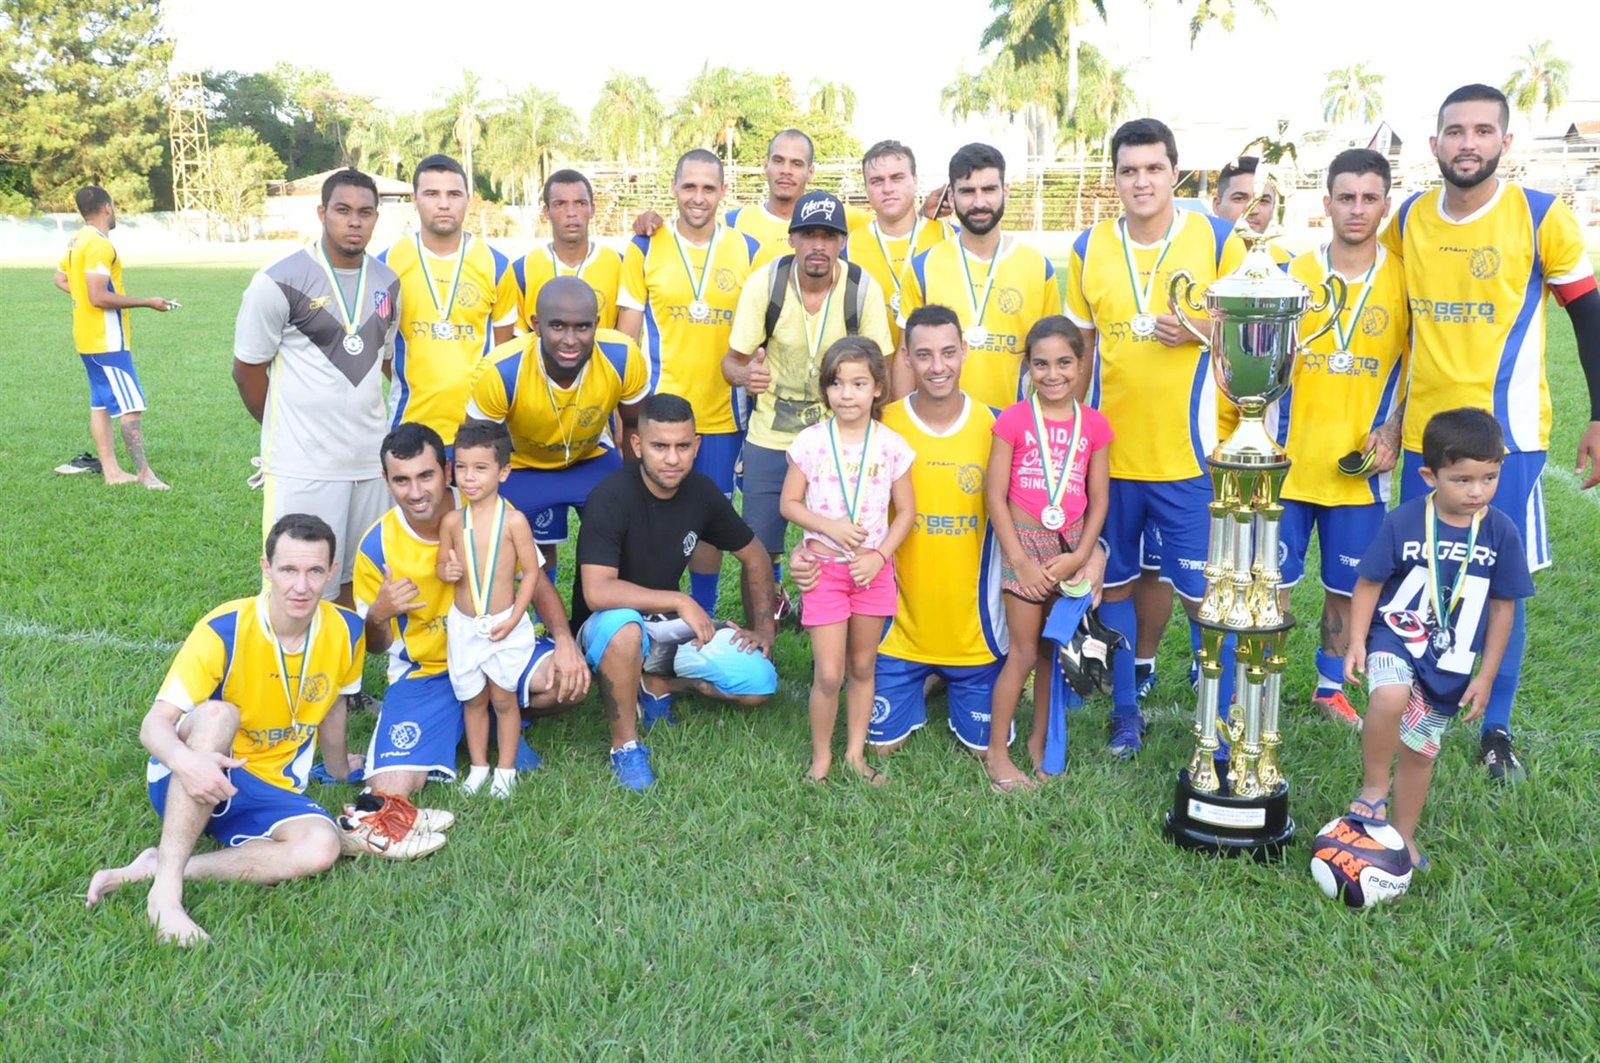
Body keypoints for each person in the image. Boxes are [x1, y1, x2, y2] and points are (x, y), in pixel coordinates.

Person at [84, 515, 444, 948]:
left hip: (270, 787)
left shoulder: (347, 631)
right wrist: (189, 763)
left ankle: (158, 865)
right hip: (192, 773)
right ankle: (166, 894)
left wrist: (340, 767)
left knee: (322, 848)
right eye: (289, 570)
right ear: (266, 568)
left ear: (332, 573)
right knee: (217, 715)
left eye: (315, 571)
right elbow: (153, 725)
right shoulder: (224, 628)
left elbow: (332, 707)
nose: (301, 585)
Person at [1380, 82, 1600, 783]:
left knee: (1497, 580)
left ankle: (1496, 726)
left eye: (1482, 130)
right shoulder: (1408, 218)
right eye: (1455, 131)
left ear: (1506, 142)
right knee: (1421, 574)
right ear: (1435, 144)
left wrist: (1599, 412)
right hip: (1422, 438)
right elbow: (1394, 322)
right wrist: (1387, 417)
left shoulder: (1541, 216)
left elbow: (1588, 314)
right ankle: (1420, 699)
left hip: (1508, 443)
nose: (1467, 142)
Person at [789, 306, 1112, 757]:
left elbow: (1060, 497)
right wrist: (804, 554)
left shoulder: (999, 426)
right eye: (923, 355)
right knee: (882, 748)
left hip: (976, 637)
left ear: (965, 352)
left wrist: (1094, 550)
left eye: (947, 353)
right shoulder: (881, 427)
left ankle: (948, 678)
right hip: (897, 632)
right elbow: (834, 499)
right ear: (904, 357)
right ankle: (921, 677)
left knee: (982, 750)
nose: (937, 367)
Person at [1062, 118, 1247, 762]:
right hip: (1113, 462)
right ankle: (1124, 714)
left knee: (1202, 600)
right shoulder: (1089, 247)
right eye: (1127, 171)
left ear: (1176, 172)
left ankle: (1217, 721)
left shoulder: (1219, 239)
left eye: (1152, 169)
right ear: (1114, 178)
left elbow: (1256, 332)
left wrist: (1199, 325)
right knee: (1111, 590)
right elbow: (1081, 348)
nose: (1140, 181)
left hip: (1190, 459)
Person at [353, 421, 588, 806]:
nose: (416, 492)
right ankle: (477, 721)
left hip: (495, 639)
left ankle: (497, 718)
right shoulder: (376, 547)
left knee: (569, 680)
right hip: (427, 671)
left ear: (446, 470)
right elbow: (377, 647)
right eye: (402, 480)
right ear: (386, 479)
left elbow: (537, 579)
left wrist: (563, 639)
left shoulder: (491, 510)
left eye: (426, 476)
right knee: (389, 790)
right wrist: (380, 614)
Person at [1344, 408, 1533, 870]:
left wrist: (1485, 678)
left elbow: (1503, 608)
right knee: (1388, 697)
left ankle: (1402, 837)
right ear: (1430, 475)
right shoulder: (1404, 521)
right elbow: (1368, 582)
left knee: (1420, 753)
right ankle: (1372, 789)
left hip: (1449, 659)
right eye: (1462, 479)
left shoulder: (1501, 532)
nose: (1476, 491)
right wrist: (1356, 642)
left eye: (1489, 478)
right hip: (1395, 634)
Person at [572, 393, 779, 790]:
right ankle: (625, 747)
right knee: (626, 627)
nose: (672, 459)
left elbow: (756, 557)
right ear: (637, 446)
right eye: (659, 446)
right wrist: (680, 599)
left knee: (758, 684)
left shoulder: (701, 494)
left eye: (683, 446)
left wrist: (764, 630)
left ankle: (658, 684)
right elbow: (597, 592)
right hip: (604, 626)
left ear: (696, 445)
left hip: (663, 624)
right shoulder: (610, 496)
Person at [1274, 149, 1409, 728]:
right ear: (1326, 202)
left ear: (1385, 203)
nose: (1357, 210)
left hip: (1359, 469)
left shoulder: (1405, 281)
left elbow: (1421, 365)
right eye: (1346, 197)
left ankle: (1330, 688)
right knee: (1268, 586)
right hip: (1285, 464)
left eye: (1369, 198)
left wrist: (1396, 426)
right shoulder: (1293, 275)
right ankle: (1262, 683)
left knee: (1347, 591)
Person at [233, 168, 401, 606]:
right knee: (298, 583)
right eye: (343, 211)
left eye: (365, 212)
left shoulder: (387, 283)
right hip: (303, 463)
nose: (354, 222)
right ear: (322, 213)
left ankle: (342, 671)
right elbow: (247, 371)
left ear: (376, 218)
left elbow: (382, 363)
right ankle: (283, 670)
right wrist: (288, 429)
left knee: (353, 579)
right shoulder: (277, 281)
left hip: (369, 461)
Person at [722, 190, 893, 617]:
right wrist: (746, 376)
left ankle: (840, 627)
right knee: (758, 545)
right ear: (792, 238)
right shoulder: (767, 282)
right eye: (809, 234)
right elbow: (731, 363)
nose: (819, 245)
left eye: (829, 236)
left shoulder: (860, 288)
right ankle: (763, 632)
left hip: (841, 437)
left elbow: (881, 368)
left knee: (847, 539)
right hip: (772, 433)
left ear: (841, 242)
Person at [616, 149, 763, 616]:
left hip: (722, 415)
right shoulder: (644, 246)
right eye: (689, 187)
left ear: (723, 192)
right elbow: (626, 335)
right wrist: (623, 412)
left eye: (708, 188)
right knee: (649, 513)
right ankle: (648, 606)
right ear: (675, 188)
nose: (698, 197)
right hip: (660, 412)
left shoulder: (748, 250)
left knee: (706, 518)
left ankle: (703, 608)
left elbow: (760, 332)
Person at [984, 317, 1112, 789]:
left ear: (1082, 365)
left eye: (1064, 363)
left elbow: (1098, 499)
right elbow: (995, 495)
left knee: (1049, 653)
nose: (1053, 374)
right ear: (1028, 366)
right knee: (1021, 651)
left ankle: (1039, 741)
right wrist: (1018, 560)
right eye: (1041, 364)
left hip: (1067, 552)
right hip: (1025, 551)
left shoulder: (1094, 425)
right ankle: (997, 752)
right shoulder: (1014, 420)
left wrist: (1080, 557)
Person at [781, 338, 916, 785]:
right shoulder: (812, 442)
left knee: (862, 667)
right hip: (825, 572)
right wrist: (829, 526)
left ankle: (856, 756)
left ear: (878, 388)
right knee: (829, 672)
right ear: (826, 390)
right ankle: (821, 758)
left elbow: (907, 513)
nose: (847, 394)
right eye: (837, 384)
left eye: (859, 383)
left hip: (872, 574)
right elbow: (789, 503)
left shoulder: (892, 445)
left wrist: (879, 557)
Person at [466, 276, 650, 578]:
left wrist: (635, 491)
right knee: (502, 551)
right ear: (537, 324)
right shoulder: (500, 370)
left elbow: (635, 425)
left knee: (627, 531)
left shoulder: (622, 355)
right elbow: (478, 451)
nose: (570, 339)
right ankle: (540, 625)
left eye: (582, 327)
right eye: (557, 326)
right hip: (522, 466)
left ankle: (596, 615)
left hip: (588, 459)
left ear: (597, 323)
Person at [895, 143, 1063, 409]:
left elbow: (1055, 355)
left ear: (1005, 191)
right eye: (967, 191)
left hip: (1012, 430)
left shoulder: (1038, 268)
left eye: (989, 189)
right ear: (950, 196)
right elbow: (905, 359)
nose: (979, 202)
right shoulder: (923, 267)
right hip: (940, 430)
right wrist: (900, 424)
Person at [378, 154, 519, 449]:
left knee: (477, 497)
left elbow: (504, 352)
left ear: (468, 198)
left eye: (454, 194)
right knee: (417, 496)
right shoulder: (387, 265)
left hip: (480, 425)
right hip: (410, 421)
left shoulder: (496, 265)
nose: (444, 204)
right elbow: (380, 349)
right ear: (415, 199)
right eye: (432, 194)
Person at [436, 419, 545, 798]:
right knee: (473, 698)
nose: (469, 478)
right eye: (462, 467)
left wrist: (516, 617)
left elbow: (531, 572)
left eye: (480, 468)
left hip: (504, 622)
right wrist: (445, 569)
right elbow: (441, 565)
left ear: (503, 471)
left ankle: (506, 769)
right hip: (465, 624)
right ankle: (479, 765)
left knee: (503, 697)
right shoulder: (452, 522)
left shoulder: (514, 522)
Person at [54, 184, 174, 488]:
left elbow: (61, 278)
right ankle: (145, 475)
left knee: (101, 405)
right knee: (131, 405)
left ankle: (112, 472)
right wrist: (148, 302)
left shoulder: (76, 239)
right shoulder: (98, 244)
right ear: (107, 207)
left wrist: (82, 293)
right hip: (105, 340)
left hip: (86, 337)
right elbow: (98, 296)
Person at [844, 140, 955, 349]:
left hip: (937, 375)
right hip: (873, 374)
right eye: (877, 181)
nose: (887, 188)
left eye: (897, 178)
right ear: (866, 187)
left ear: (915, 180)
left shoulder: (949, 238)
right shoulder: (847, 248)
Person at [725, 129, 870, 264]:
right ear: (765, 165)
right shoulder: (732, 223)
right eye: (778, 161)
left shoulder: (840, 216)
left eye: (797, 164)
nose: (786, 170)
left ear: (811, 172)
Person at [513, 169, 624, 332]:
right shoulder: (522, 269)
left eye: (580, 203)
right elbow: (517, 343)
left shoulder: (619, 264)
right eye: (560, 204)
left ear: (592, 209)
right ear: (546, 211)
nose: (571, 213)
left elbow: (626, 339)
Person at [1212, 155, 1293, 265]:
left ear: (1273, 208)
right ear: (1217, 205)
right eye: (1239, 199)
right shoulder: (1193, 260)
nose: (1253, 210)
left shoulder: (1290, 267)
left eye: (1263, 201)